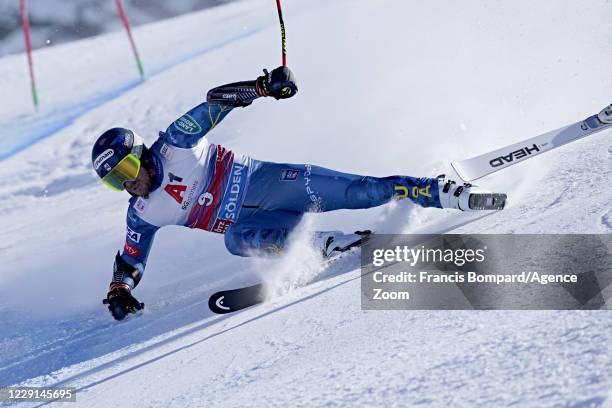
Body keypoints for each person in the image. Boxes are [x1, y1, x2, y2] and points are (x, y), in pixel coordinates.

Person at [92, 66, 506, 320]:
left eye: (127, 168)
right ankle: (325, 246)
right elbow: (130, 259)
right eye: (116, 181)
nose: (129, 183)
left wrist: (264, 86)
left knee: (364, 192)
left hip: (280, 185)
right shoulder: (143, 211)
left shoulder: (176, 142)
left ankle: (443, 190)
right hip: (259, 224)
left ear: (140, 153)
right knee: (237, 240)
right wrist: (120, 290)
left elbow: (217, 103)